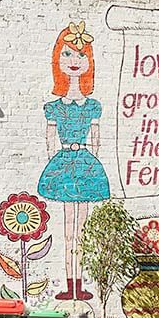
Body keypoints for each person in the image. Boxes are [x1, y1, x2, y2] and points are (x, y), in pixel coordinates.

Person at [36, 21, 110, 300]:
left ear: (89, 62)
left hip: (86, 165)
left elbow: (97, 140)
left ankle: (80, 284)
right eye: (67, 54)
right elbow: (48, 141)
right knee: (69, 230)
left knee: (82, 231)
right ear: (58, 60)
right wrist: (56, 164)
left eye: (80, 55)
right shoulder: (54, 107)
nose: (75, 61)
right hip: (64, 163)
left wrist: (90, 163)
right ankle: (70, 286)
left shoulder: (92, 105)